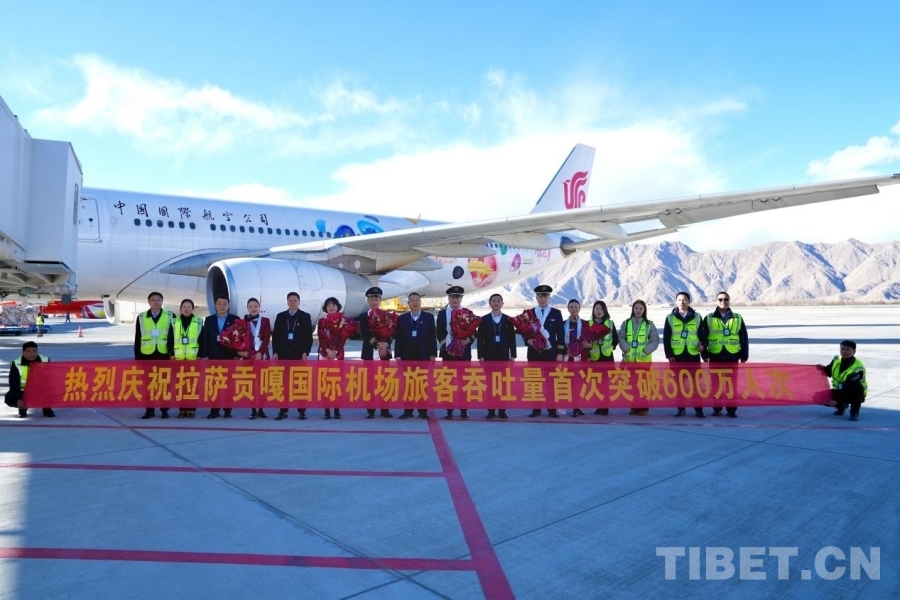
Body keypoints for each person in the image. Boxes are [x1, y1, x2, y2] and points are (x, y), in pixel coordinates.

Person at [699, 291, 748, 418]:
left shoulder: (737, 318)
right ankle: (717, 408)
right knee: (716, 384)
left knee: (732, 384)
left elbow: (744, 337)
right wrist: (704, 354)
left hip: (732, 355)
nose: (723, 301)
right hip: (715, 355)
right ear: (716, 301)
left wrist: (744, 355)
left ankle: (731, 409)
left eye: (726, 299)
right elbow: (703, 338)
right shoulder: (709, 318)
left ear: (729, 301)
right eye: (720, 299)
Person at [525, 284, 566, 418]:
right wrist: (528, 341)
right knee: (534, 382)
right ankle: (536, 409)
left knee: (550, 382)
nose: (543, 298)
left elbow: (560, 335)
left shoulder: (556, 313)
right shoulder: (530, 313)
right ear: (536, 297)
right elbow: (524, 331)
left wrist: (560, 353)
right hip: (534, 353)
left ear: (549, 298)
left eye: (545, 296)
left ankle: (551, 409)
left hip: (550, 354)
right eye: (540, 296)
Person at [272, 291, 314, 420]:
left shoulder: (305, 316)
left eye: (295, 300)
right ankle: (283, 410)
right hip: (283, 355)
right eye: (290, 300)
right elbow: (275, 336)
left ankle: (301, 410)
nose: (292, 302)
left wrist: (306, 352)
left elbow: (308, 337)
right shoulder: (280, 316)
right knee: (284, 384)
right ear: (287, 302)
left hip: (299, 355)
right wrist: (275, 352)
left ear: (299, 302)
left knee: (299, 384)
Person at [394, 292, 436, 419]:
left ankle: (423, 411)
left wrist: (433, 354)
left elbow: (432, 337)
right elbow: (399, 338)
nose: (415, 303)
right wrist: (398, 355)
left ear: (420, 302)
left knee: (422, 383)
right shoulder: (402, 318)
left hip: (423, 355)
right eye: (412, 300)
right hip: (407, 355)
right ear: (408, 303)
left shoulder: (428, 317)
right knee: (408, 384)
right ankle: (408, 411)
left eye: (417, 300)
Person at [664, 292, 706, 418]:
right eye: (679, 300)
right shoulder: (670, 318)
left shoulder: (697, 317)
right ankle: (681, 408)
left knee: (696, 384)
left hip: (693, 354)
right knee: (679, 384)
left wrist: (703, 346)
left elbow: (702, 335)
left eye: (685, 299)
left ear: (689, 301)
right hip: (677, 356)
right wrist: (669, 354)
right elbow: (666, 337)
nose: (682, 302)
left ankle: (699, 409)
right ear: (676, 302)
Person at [476, 293, 517, 419]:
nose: (496, 303)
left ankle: (502, 410)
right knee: (490, 383)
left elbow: (512, 339)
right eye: (493, 301)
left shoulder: (508, 320)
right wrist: (480, 356)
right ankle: (491, 410)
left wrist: (513, 355)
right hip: (489, 355)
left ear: (502, 303)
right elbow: (480, 340)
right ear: (490, 303)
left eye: (498, 301)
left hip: (503, 355)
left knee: (503, 384)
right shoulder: (484, 320)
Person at [199, 295, 240, 418]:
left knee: (228, 384)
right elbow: (205, 338)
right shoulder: (209, 320)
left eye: (224, 304)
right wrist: (204, 355)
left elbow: (238, 339)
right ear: (215, 305)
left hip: (229, 357)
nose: (222, 306)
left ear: (228, 305)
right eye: (219, 304)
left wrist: (236, 355)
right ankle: (214, 410)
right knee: (213, 384)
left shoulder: (235, 319)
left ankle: (227, 410)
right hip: (213, 357)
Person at [135, 291, 174, 419]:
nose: (156, 302)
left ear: (162, 301)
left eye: (158, 299)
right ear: (149, 302)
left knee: (164, 384)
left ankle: (164, 410)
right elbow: (138, 337)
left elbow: (174, 336)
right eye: (153, 300)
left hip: (164, 354)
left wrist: (172, 353)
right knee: (148, 384)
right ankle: (149, 410)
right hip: (147, 355)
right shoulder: (141, 317)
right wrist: (138, 357)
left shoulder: (170, 315)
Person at [357, 286, 394, 419]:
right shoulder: (363, 317)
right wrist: (378, 345)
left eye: (376, 299)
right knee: (369, 383)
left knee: (385, 382)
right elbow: (365, 334)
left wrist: (386, 344)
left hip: (384, 353)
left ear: (380, 300)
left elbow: (392, 332)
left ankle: (385, 410)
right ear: (368, 301)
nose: (374, 302)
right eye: (371, 299)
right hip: (369, 352)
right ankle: (371, 410)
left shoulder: (387, 316)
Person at [437, 285, 473, 419]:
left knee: (464, 382)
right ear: (449, 298)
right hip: (448, 353)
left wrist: (468, 340)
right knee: (448, 382)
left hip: (464, 352)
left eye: (458, 297)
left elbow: (474, 332)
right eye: (453, 297)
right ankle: (449, 409)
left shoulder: (468, 312)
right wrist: (447, 346)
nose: (455, 300)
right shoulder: (442, 314)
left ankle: (464, 409)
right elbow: (439, 332)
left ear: (461, 299)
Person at [619, 299, 659, 416]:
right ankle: (634, 407)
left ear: (644, 310)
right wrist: (626, 349)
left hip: (644, 361)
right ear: (633, 309)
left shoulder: (649, 324)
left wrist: (646, 351)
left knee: (643, 384)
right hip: (630, 360)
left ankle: (643, 408)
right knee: (632, 385)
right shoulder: (626, 323)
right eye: (636, 308)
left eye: (641, 308)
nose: (638, 310)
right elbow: (621, 337)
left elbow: (655, 340)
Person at [317, 297, 351, 419]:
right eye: (328, 306)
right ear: (325, 308)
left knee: (337, 383)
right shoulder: (322, 321)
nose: (331, 307)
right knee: (324, 383)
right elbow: (320, 337)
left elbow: (343, 338)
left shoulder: (342, 321)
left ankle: (337, 410)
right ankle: (326, 410)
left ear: (338, 307)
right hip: (324, 354)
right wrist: (327, 350)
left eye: (333, 305)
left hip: (338, 354)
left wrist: (335, 351)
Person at [819, 340, 867, 421]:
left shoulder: (858, 367)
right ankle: (841, 406)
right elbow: (829, 372)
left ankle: (854, 411)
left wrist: (837, 400)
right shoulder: (837, 360)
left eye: (848, 349)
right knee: (819, 397)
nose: (844, 351)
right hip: (840, 390)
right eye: (842, 349)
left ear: (854, 352)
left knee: (854, 386)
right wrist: (821, 368)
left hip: (855, 392)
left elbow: (850, 387)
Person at [171, 298, 203, 418]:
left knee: (192, 384)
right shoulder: (174, 322)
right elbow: (170, 338)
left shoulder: (198, 322)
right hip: (178, 358)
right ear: (180, 309)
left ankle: (192, 409)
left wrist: (200, 355)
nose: (186, 309)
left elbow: (202, 339)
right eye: (184, 306)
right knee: (180, 385)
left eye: (189, 307)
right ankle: (182, 409)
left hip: (193, 358)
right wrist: (171, 354)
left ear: (193, 309)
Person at [6, 341, 55, 418]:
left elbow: (50, 378)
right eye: (28, 351)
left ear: (37, 351)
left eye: (34, 351)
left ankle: (47, 409)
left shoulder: (45, 360)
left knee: (52, 390)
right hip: (23, 391)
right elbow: (13, 383)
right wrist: (18, 399)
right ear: (23, 352)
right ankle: (22, 409)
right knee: (10, 398)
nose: (32, 354)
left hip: (39, 389)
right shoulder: (16, 363)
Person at [243, 297, 272, 420]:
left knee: (262, 384)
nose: (253, 308)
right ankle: (253, 410)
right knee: (250, 384)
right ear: (247, 308)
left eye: (255, 306)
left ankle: (261, 409)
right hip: (249, 357)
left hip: (262, 355)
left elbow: (267, 338)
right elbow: (241, 339)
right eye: (250, 306)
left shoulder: (265, 321)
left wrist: (260, 352)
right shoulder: (243, 322)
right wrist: (246, 352)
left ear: (259, 308)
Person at [588, 301, 617, 416]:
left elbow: (615, 339)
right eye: (597, 308)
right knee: (596, 383)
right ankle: (599, 406)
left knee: (605, 383)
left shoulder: (610, 323)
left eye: (601, 309)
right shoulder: (589, 323)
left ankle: (605, 407)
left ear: (605, 310)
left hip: (607, 357)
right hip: (594, 357)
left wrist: (611, 347)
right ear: (593, 310)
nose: (599, 311)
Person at [564, 299, 590, 416]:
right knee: (569, 382)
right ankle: (568, 405)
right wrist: (566, 350)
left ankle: (577, 406)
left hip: (581, 357)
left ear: (579, 308)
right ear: (568, 309)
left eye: (576, 307)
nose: (574, 309)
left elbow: (589, 340)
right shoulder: (564, 324)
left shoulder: (585, 324)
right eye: (571, 307)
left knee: (580, 383)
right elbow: (560, 340)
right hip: (568, 358)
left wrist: (589, 346)